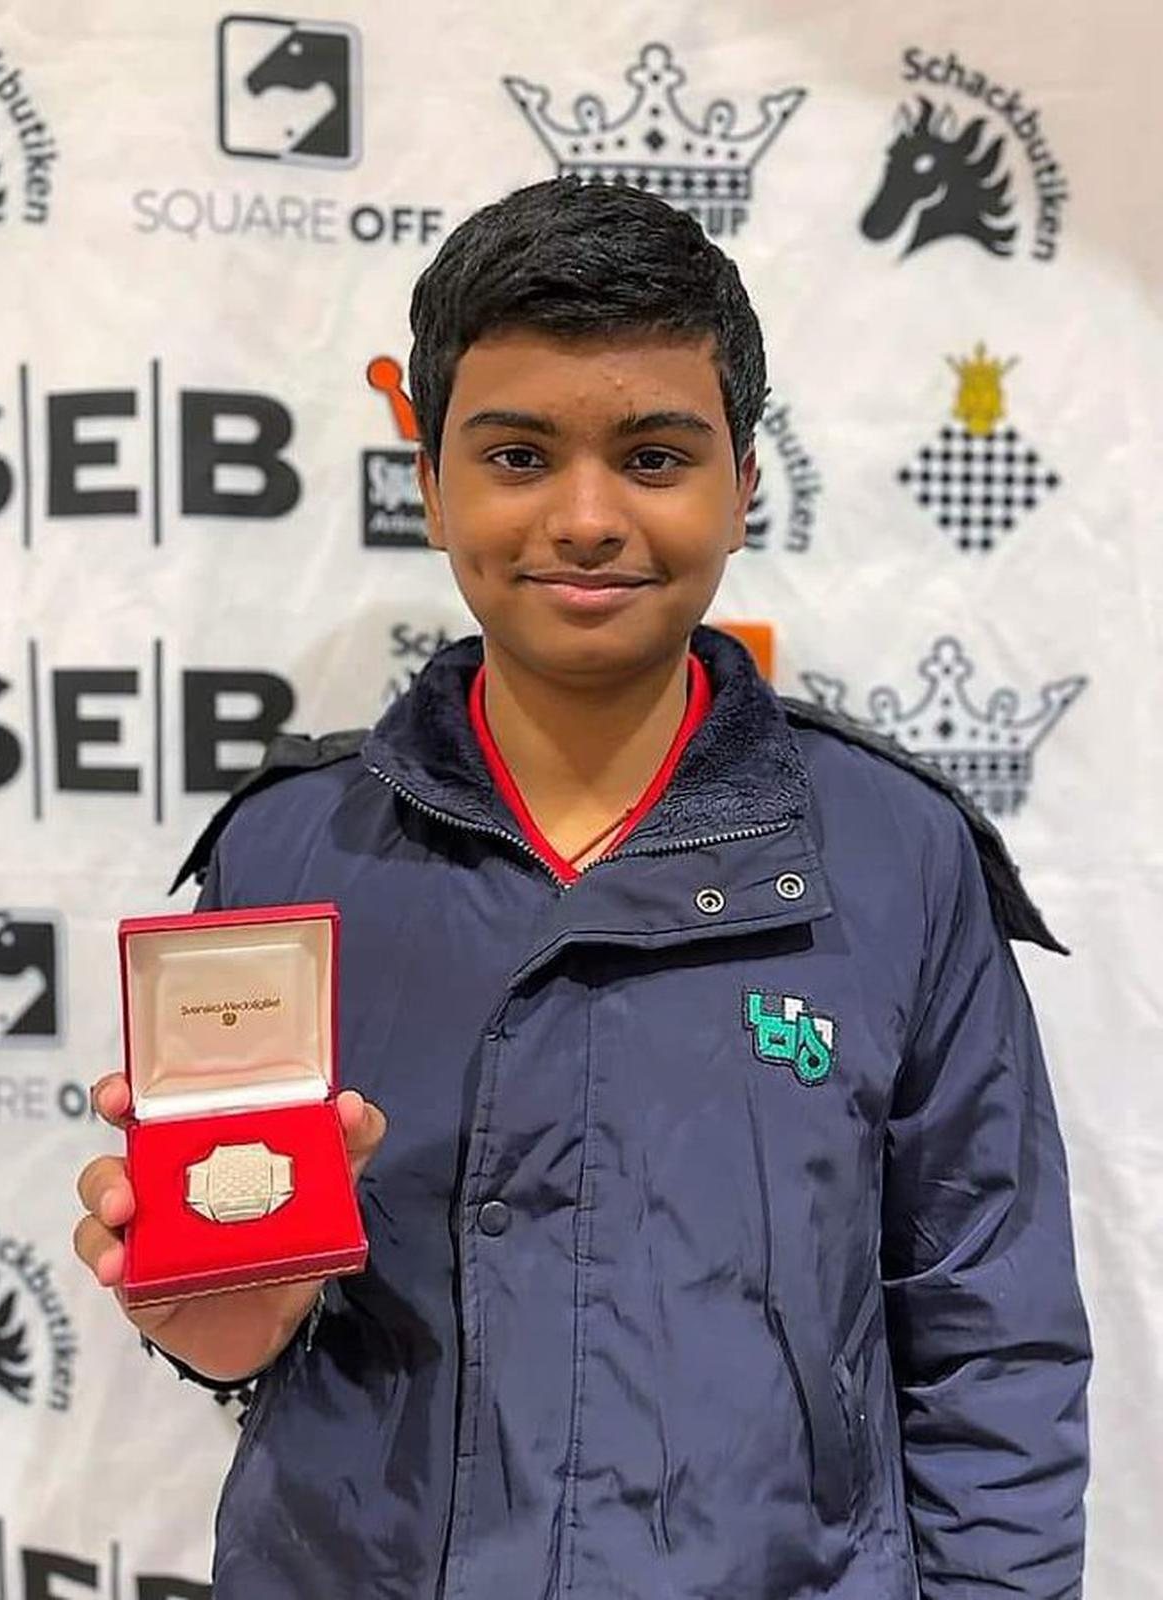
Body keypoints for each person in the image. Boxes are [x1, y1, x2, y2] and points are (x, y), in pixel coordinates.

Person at [74, 177, 1090, 1599]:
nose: (589, 517)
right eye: (518, 455)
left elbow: (993, 1338)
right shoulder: (292, 856)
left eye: (656, 456)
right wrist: (219, 1317)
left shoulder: (894, 855)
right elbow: (241, 1302)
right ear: (431, 485)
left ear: (745, 484)